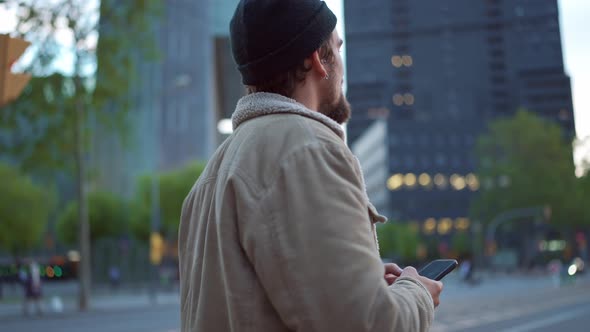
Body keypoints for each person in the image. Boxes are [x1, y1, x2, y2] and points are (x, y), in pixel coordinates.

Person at [178, 1, 443, 331]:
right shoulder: (307, 149)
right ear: (319, 59)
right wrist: (416, 292)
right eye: (338, 47)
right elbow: (369, 325)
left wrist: (366, 279)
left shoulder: (212, 175)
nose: (342, 67)